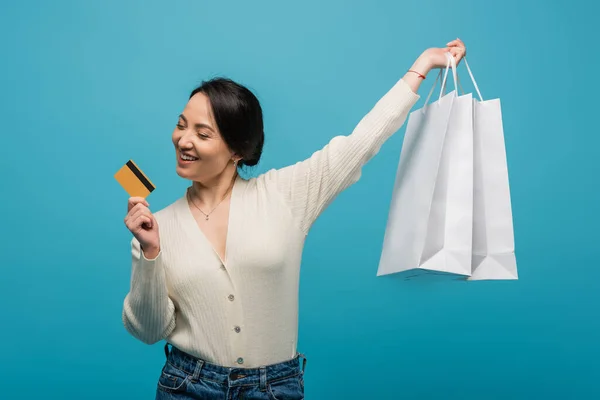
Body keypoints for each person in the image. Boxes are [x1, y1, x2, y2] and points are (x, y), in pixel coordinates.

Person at [122, 38, 467, 399]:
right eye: (181, 125)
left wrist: (423, 65)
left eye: (202, 133)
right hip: (186, 385)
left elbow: (360, 143)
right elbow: (148, 330)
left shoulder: (286, 195)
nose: (183, 140)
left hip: (273, 388)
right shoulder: (156, 228)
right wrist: (150, 254)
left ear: (236, 150)